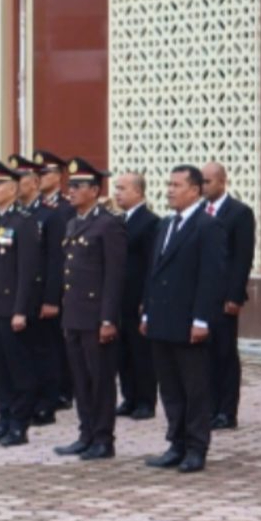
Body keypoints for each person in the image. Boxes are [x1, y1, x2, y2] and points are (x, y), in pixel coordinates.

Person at [141, 165, 225, 474]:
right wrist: (147, 311)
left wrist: (202, 320)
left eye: (177, 185)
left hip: (190, 321)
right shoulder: (165, 224)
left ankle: (196, 447)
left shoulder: (207, 226)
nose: (170, 190)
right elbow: (154, 272)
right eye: (168, 184)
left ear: (195, 190)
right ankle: (175, 443)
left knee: (195, 388)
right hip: (162, 319)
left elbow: (210, 277)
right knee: (170, 387)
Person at [53, 158, 125, 460]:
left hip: (96, 317)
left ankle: (103, 439)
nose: (71, 191)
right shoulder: (73, 222)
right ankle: (85, 432)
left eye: (78, 186)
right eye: (70, 186)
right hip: (74, 315)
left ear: (95, 190)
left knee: (100, 381)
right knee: (80, 380)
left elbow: (114, 276)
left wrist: (108, 318)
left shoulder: (108, 224)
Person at [0, 158, 42, 447]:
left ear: (13, 188)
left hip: (13, 308)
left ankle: (19, 424)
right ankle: (3, 419)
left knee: (19, 368)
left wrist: (20, 310)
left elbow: (27, 271)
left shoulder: (23, 222)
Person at [200, 162, 256, 431]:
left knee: (224, 353)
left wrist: (234, 296)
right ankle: (209, 406)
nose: (203, 187)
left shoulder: (239, 213)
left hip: (224, 297)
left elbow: (242, 258)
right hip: (201, 296)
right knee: (204, 354)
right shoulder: (198, 211)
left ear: (222, 182)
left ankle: (226, 410)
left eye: (208, 181)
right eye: (200, 182)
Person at [11, 153, 63, 426]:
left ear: (32, 183)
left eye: (19, 181)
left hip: (42, 293)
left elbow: (56, 259)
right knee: (25, 353)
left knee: (45, 351)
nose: (15, 186)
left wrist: (51, 298)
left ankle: (47, 403)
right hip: (21, 294)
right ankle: (28, 401)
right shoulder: (18, 215)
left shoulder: (50, 215)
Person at [113, 172, 159, 421]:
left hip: (138, 297)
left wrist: (147, 299)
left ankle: (145, 400)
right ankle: (129, 397)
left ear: (139, 193)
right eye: (116, 188)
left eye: (122, 188)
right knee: (123, 351)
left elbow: (152, 264)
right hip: (119, 297)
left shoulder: (150, 222)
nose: (117, 193)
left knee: (141, 352)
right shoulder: (119, 220)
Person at [35, 149, 77, 408]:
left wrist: (55, 293)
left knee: (59, 343)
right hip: (37, 285)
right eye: (38, 173)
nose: (41, 177)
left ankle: (64, 389)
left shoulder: (65, 208)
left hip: (60, 284)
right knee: (42, 343)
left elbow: (60, 255)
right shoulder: (35, 207)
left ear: (60, 176)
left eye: (47, 172)